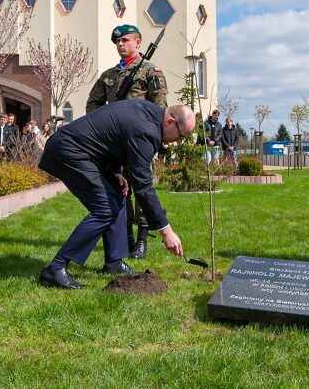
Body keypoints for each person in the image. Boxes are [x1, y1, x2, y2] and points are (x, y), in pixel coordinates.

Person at [37, 101, 194, 289]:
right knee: (104, 209)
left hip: (83, 152)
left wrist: (115, 173)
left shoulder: (147, 111)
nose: (177, 141)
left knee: (117, 196)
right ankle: (55, 268)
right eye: (180, 135)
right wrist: (166, 231)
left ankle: (114, 262)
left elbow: (112, 139)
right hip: (69, 152)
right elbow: (143, 186)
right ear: (170, 121)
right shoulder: (146, 130)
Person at [86, 24, 169, 259]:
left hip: (138, 141)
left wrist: (155, 137)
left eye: (125, 40)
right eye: (117, 42)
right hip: (113, 144)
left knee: (142, 189)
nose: (121, 44)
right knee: (119, 190)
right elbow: (93, 103)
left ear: (138, 43)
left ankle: (142, 238)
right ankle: (126, 236)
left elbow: (159, 107)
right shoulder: (109, 76)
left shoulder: (150, 72)